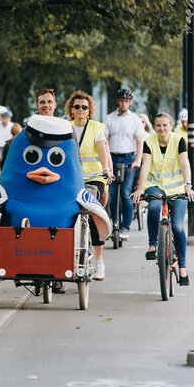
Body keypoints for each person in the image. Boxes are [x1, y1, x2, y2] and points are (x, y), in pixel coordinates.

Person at [131, 112, 194, 286]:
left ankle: (182, 267)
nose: (162, 128)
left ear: (170, 126)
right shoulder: (149, 142)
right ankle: (153, 244)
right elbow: (145, 165)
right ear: (155, 125)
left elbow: (185, 164)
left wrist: (188, 185)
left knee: (177, 226)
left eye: (165, 125)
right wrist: (140, 188)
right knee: (153, 208)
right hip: (155, 185)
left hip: (177, 187)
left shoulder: (178, 140)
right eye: (158, 125)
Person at [65, 90, 114, 280]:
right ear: (71, 109)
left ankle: (99, 261)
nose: (80, 110)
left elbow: (103, 151)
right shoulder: (66, 127)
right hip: (71, 178)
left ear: (89, 110)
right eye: (77, 106)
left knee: (92, 214)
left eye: (84, 107)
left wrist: (107, 169)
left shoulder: (96, 128)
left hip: (94, 178)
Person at [104, 88, 145, 240]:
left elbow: (139, 141)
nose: (123, 103)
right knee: (113, 194)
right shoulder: (109, 119)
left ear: (130, 103)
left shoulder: (134, 119)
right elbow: (105, 141)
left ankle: (125, 227)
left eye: (126, 101)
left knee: (126, 194)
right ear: (117, 101)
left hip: (129, 159)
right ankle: (114, 222)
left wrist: (138, 160)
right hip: (113, 157)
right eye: (121, 101)